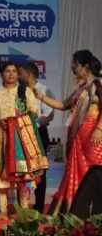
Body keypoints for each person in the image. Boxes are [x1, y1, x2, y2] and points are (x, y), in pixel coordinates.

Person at [34, 50, 102, 215]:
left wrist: (99, 129)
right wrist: (41, 97)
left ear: (86, 66)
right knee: (76, 170)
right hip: (79, 135)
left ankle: (95, 209)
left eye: (75, 64)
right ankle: (77, 210)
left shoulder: (98, 83)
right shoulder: (81, 87)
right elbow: (63, 105)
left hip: (94, 135)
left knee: (91, 170)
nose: (72, 67)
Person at [0, 61, 45, 220]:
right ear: (1, 74)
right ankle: (3, 210)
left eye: (14, 71)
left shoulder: (25, 91)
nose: (11, 74)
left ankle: (23, 210)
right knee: (1, 172)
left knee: (24, 174)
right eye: (7, 71)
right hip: (0, 136)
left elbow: (34, 111)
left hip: (21, 137)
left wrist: (18, 120)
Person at [19, 61, 55, 213]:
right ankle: (22, 206)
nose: (17, 76)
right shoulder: (18, 91)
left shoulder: (44, 90)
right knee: (21, 168)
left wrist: (33, 126)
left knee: (40, 170)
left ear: (28, 74)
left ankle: (39, 207)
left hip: (38, 133)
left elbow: (49, 114)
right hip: (20, 133)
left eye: (20, 73)